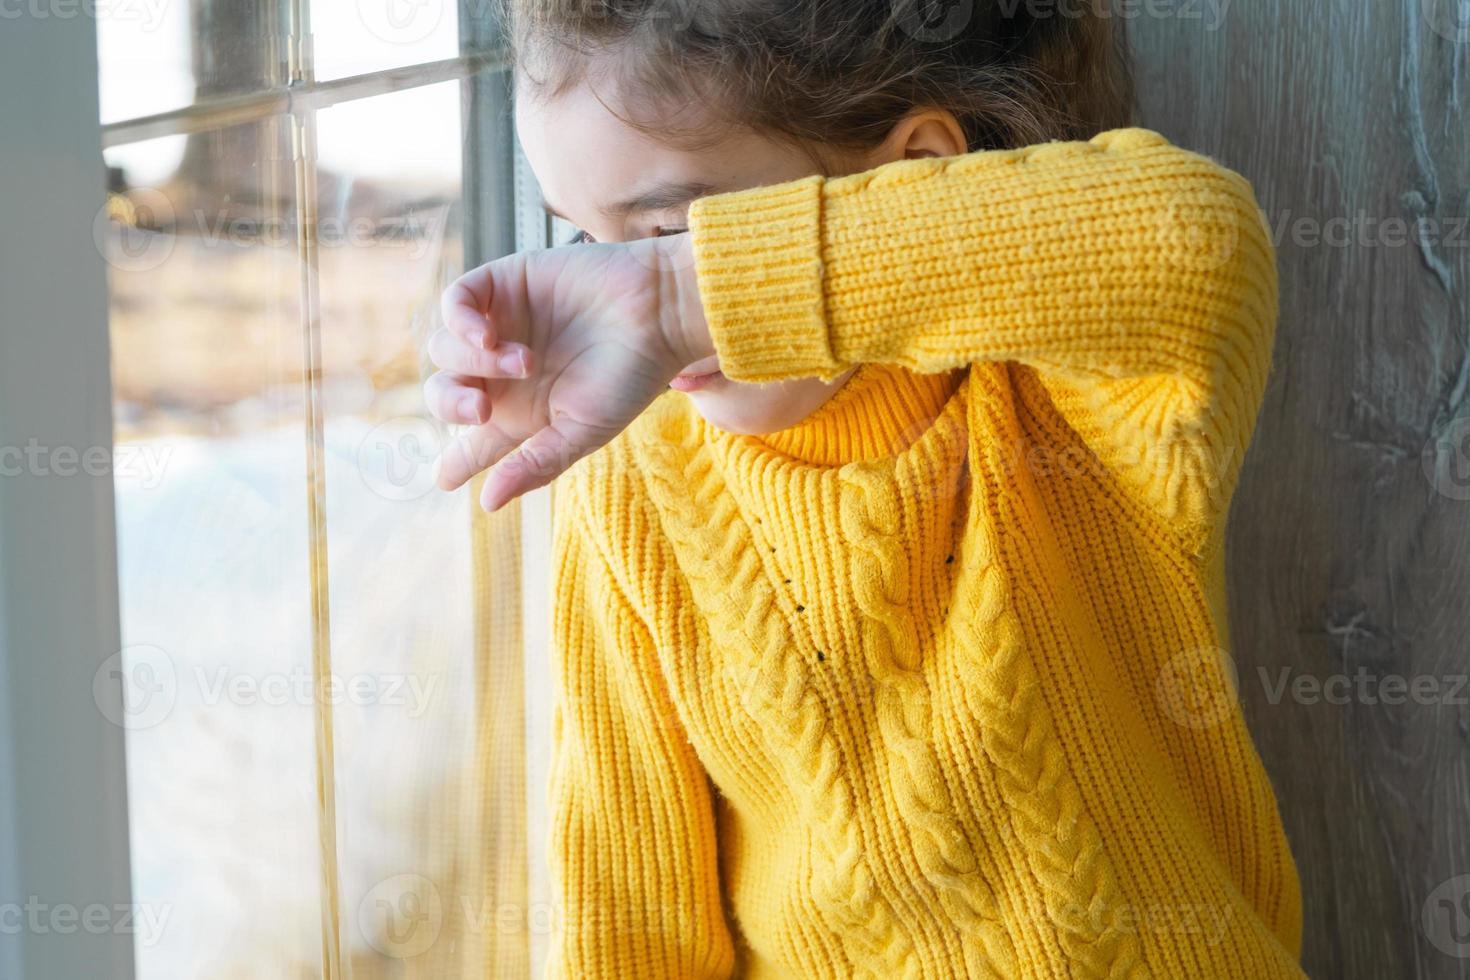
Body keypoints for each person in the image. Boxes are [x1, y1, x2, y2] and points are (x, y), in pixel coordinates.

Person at [425, 1, 1304, 976]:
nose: (622, 299)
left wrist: (687, 296)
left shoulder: (1080, 398)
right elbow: (630, 909)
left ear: (916, 171)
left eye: (669, 234)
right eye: (590, 247)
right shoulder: (637, 482)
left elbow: (1189, 231)